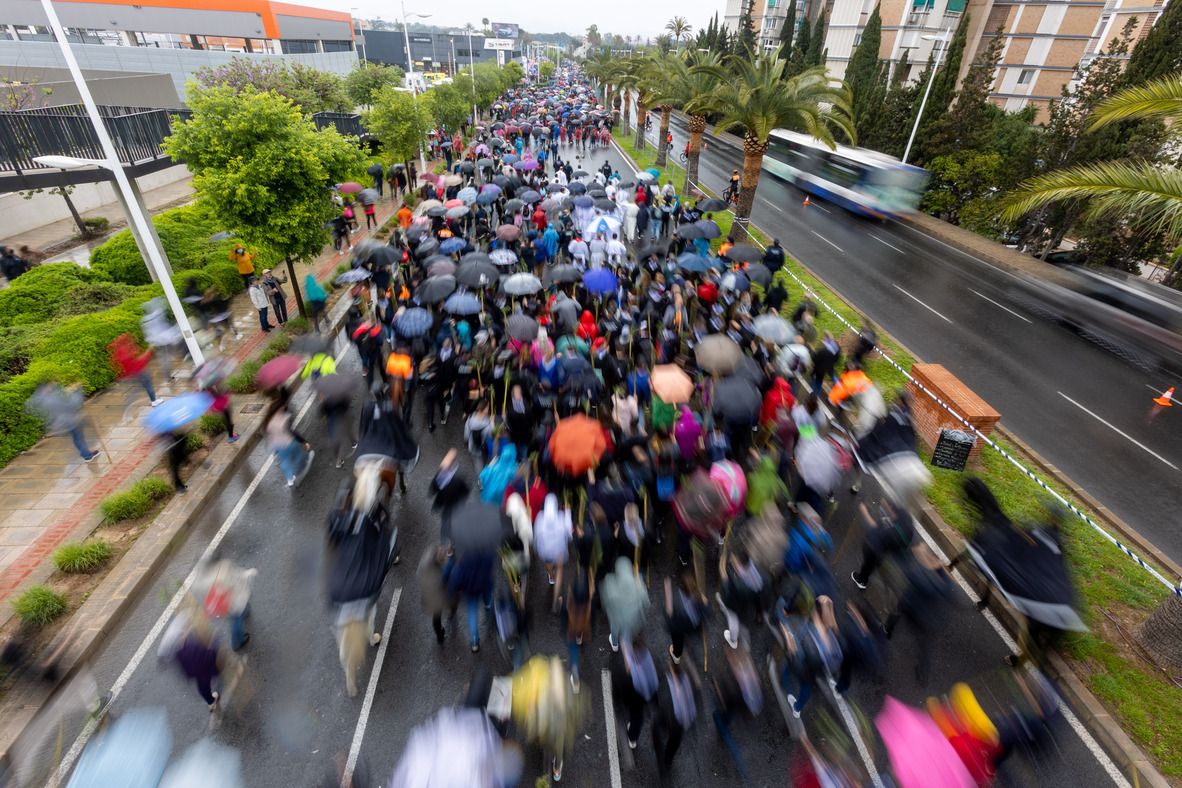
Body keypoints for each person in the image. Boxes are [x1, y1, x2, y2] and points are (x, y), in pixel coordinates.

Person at [26, 382, 98, 462]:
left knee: (77, 437)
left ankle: (86, 452)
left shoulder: (39, 398)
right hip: (71, 420)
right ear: (46, 388)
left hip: (62, 422)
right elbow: (71, 406)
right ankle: (87, 455)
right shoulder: (52, 398)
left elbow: (28, 406)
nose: (52, 387)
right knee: (79, 437)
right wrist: (77, 392)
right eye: (49, 386)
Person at [265, 391, 314, 488]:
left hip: (277, 445)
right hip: (288, 443)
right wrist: (304, 441)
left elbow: (269, 434)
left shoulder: (268, 421)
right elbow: (292, 432)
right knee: (299, 454)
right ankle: (302, 465)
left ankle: (290, 479)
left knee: (285, 461)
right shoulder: (285, 418)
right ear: (280, 408)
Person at [107, 333, 161, 406]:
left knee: (134, 391)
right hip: (140, 371)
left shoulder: (119, 351)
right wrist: (148, 350)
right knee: (148, 386)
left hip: (131, 374)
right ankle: (154, 401)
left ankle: (128, 405)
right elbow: (138, 360)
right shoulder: (127, 350)